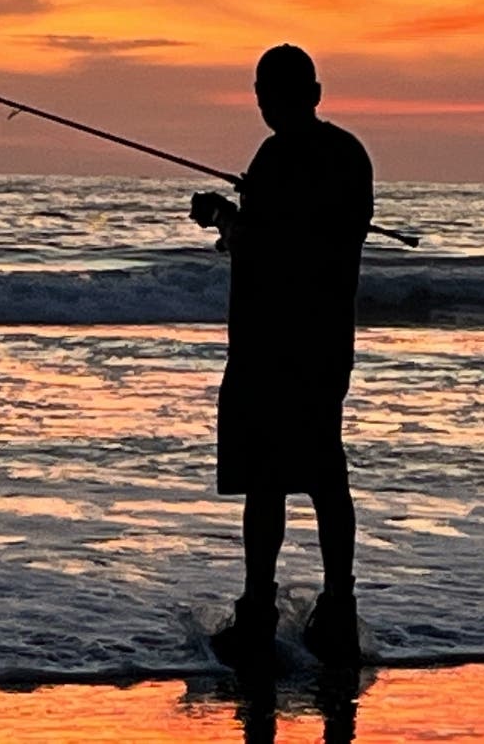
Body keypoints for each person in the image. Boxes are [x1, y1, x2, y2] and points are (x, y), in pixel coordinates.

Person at [190, 43, 373, 668]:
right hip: (325, 345)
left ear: (268, 99)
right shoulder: (349, 156)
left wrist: (222, 219)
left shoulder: (274, 158)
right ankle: (339, 612)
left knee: (265, 485)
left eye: (265, 94)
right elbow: (313, 238)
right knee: (326, 476)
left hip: (269, 348)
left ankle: (257, 614)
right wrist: (243, 220)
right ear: (316, 93)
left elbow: (264, 249)